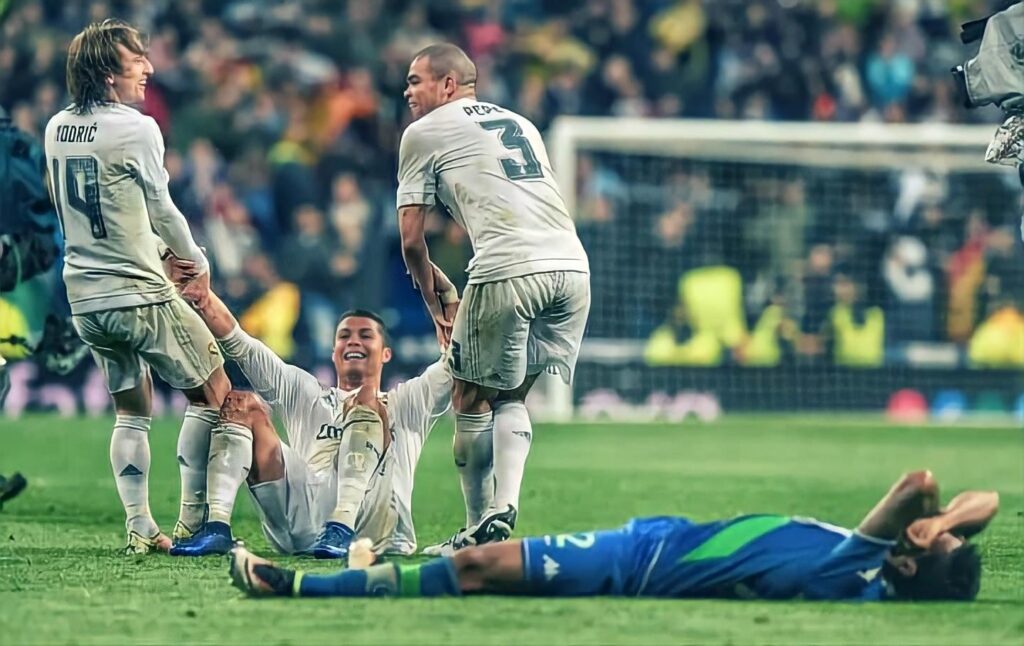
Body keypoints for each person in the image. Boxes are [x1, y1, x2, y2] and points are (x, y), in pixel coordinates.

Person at [229, 470, 997, 602]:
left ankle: (298, 584)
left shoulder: (849, 574)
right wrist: (952, 530)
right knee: (475, 567)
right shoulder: (880, 572)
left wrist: (930, 517)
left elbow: (917, 484)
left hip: (641, 564)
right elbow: (983, 499)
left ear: (907, 558)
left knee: (475, 566)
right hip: (654, 542)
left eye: (934, 546)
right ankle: (322, 579)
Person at [42, 20, 230, 554]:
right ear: (107, 75)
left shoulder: (56, 127)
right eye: (136, 60)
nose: (148, 68)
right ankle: (195, 521)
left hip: (86, 294)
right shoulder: (137, 127)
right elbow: (162, 210)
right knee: (214, 393)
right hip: (138, 290)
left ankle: (140, 525)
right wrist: (193, 261)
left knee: (133, 407)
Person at [396, 43, 591, 553]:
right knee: (511, 396)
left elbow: (412, 239)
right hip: (571, 267)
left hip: (508, 266)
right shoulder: (522, 123)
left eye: (416, 80)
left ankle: (479, 527)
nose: (407, 91)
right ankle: (502, 508)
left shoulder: (422, 132)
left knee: (469, 395)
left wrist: (435, 301)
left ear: (448, 85)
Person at [164, 260, 452, 558]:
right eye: (344, 336)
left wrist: (452, 304)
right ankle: (217, 528)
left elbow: (455, 363)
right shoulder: (306, 393)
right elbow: (242, 345)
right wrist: (204, 298)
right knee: (241, 404)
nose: (353, 340)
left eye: (366, 335)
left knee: (367, 400)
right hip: (303, 524)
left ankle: (342, 524)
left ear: (387, 354)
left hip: (375, 532)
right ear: (333, 352)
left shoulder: (408, 401)